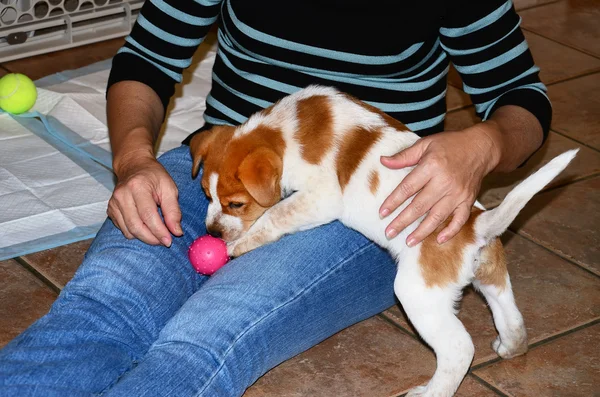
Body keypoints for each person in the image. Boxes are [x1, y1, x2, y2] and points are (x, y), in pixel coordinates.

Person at [0, 0, 550, 395]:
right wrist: (134, 161)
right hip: (217, 169)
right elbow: (147, 57)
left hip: (371, 204)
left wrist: (485, 144)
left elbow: (520, 93)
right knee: (105, 303)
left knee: (206, 336)